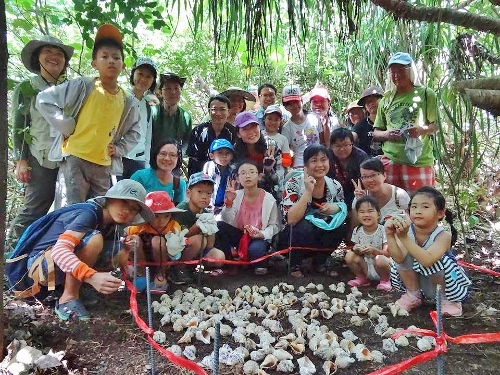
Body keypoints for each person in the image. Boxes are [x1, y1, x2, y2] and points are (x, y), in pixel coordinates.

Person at [5, 179, 154, 321]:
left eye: (134, 209)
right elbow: (60, 251)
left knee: (120, 250)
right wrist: (91, 276)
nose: (127, 210)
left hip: (53, 267)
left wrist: (127, 249)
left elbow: (113, 254)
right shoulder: (88, 213)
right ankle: (68, 298)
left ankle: (72, 288)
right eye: (124, 202)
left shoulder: (112, 225)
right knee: (94, 239)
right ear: (109, 199)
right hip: (35, 269)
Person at [36, 24, 140, 204]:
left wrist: (120, 149)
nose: (111, 61)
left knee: (97, 212)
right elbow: (44, 99)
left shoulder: (127, 100)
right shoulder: (83, 86)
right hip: (75, 159)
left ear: (123, 65)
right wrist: (65, 124)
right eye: (104, 56)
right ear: (95, 63)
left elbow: (135, 131)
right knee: (70, 210)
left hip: (104, 165)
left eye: (116, 57)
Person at [8, 35, 74, 251]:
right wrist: (21, 160)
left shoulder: (69, 90)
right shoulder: (28, 88)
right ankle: (11, 255)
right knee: (34, 209)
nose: (54, 57)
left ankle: (42, 256)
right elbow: (19, 126)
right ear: (38, 58)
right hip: (39, 156)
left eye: (59, 54)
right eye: (48, 52)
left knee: (62, 210)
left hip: (65, 158)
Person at [386, 186, 471, 316]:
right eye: (414, 207)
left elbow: (427, 260)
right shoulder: (408, 231)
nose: (418, 211)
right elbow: (398, 258)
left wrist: (404, 238)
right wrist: (390, 235)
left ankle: (448, 301)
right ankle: (413, 295)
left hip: (445, 286)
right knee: (403, 256)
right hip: (420, 284)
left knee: (436, 260)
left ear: (440, 213)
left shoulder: (443, 236)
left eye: (425, 207)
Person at [373, 52, 439, 194]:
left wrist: (421, 130)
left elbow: (436, 126)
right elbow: (376, 132)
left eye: (401, 70)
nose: (397, 75)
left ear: (411, 70)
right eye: (393, 71)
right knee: (390, 207)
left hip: (419, 162)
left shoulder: (426, 94)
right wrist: (387, 134)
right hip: (391, 161)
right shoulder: (386, 99)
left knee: (420, 207)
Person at [279, 144, 347, 277]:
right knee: (306, 225)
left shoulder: (334, 185)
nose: (320, 164)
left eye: (323, 160)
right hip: (291, 237)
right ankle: (294, 263)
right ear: (305, 166)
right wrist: (307, 192)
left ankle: (320, 261)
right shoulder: (293, 183)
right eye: (314, 161)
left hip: (320, 235)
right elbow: (291, 220)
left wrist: (337, 207)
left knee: (340, 227)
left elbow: (342, 210)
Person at [217, 161, 280, 275]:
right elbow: (226, 220)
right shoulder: (236, 195)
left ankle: (260, 260)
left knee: (255, 251)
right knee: (219, 226)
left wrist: (262, 234)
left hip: (259, 236)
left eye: (252, 172)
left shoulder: (269, 199)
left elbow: (275, 226)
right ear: (238, 178)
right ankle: (230, 262)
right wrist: (229, 203)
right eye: (243, 173)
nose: (248, 176)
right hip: (240, 235)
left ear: (259, 176)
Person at [126, 191, 187, 293]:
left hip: (163, 259)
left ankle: (161, 274)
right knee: (134, 239)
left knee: (157, 240)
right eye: (156, 216)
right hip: (142, 257)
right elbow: (127, 242)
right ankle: (141, 274)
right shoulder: (138, 226)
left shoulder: (174, 226)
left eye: (166, 216)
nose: (161, 221)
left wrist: (176, 250)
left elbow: (177, 251)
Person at [175, 173, 226, 282]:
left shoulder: (207, 213)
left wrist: (212, 229)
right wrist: (197, 227)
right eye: (199, 192)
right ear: (189, 193)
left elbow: (210, 244)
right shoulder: (181, 210)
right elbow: (177, 236)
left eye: (208, 193)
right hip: (178, 251)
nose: (204, 196)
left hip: (200, 250)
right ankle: (179, 269)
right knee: (198, 240)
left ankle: (196, 267)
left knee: (219, 257)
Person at [120, 57, 158, 179]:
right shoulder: (120, 96)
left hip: (138, 161)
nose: (143, 79)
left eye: (149, 77)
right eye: (140, 74)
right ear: (133, 74)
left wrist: (146, 165)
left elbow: (148, 137)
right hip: (118, 158)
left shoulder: (147, 105)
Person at [345, 196, 391, 291]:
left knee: (380, 259)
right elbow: (356, 251)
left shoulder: (383, 230)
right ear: (357, 215)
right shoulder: (357, 231)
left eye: (370, 211)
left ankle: (385, 280)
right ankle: (362, 278)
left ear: (378, 214)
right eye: (362, 212)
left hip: (381, 265)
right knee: (349, 255)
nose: (366, 215)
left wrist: (374, 251)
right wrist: (357, 249)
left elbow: (388, 254)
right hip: (366, 265)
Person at [233, 111, 280, 200]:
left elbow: (279, 179)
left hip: (269, 195)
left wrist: (268, 170)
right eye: (245, 129)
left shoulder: (271, 146)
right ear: (238, 134)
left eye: (254, 126)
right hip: (244, 195)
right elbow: (235, 180)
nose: (251, 132)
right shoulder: (234, 152)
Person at [186, 95, 236, 176]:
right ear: (209, 111)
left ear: (228, 112)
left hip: (225, 176)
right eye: (214, 109)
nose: (218, 113)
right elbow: (193, 159)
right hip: (200, 176)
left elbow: (234, 159)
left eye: (222, 109)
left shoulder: (233, 132)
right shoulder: (198, 131)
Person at [352, 158, 410, 222]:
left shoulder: (399, 195)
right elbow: (355, 227)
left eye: (373, 175)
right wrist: (360, 202)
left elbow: (410, 221)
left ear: (384, 175)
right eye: (365, 177)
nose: (370, 180)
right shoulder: (359, 197)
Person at [281, 84, 324, 168]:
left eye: (296, 101)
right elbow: (285, 151)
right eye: (289, 103)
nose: (294, 106)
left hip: (319, 162)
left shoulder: (314, 118)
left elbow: (322, 142)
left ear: (301, 101)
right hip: (300, 165)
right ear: (285, 107)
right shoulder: (287, 128)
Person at [131, 139, 186, 204]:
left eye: (172, 155)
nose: (167, 158)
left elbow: (177, 211)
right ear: (155, 156)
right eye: (163, 154)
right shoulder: (140, 177)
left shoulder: (179, 184)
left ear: (178, 159)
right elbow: (129, 204)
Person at [328, 127, 369, 208]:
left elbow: (367, 178)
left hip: (358, 194)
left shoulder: (361, 156)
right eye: (337, 146)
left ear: (352, 144)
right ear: (331, 146)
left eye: (346, 145)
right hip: (333, 195)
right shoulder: (327, 156)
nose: (342, 149)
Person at [151, 72, 192, 153]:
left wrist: (179, 154)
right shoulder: (152, 112)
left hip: (173, 160)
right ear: (160, 92)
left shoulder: (186, 117)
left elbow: (187, 141)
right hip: (150, 159)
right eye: (168, 88)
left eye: (176, 88)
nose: (173, 92)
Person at [262, 105, 292, 196]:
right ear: (264, 119)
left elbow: (288, 161)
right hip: (261, 173)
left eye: (276, 119)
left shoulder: (283, 139)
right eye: (270, 119)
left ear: (281, 121)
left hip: (278, 175)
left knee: (278, 197)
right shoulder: (259, 135)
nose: (273, 122)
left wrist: (278, 160)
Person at [203, 139, 236, 216]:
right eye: (220, 153)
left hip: (226, 207)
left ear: (231, 156)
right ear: (211, 156)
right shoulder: (209, 166)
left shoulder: (233, 170)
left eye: (227, 153)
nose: (224, 156)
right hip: (208, 205)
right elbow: (205, 185)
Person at [353, 86, 384, 156]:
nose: (371, 104)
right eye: (367, 102)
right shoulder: (360, 125)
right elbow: (351, 138)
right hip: (367, 163)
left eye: (374, 100)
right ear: (365, 108)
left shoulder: (391, 121)